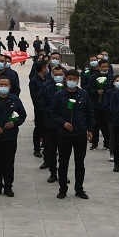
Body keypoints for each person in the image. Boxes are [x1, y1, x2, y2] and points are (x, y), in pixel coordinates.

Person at [49, 69, 94, 199]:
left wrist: (90, 130)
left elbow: (90, 113)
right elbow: (53, 113)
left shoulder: (84, 94)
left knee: (80, 163)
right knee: (63, 162)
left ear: (78, 80)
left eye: (74, 79)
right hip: (64, 134)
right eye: (70, 79)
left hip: (80, 133)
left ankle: (79, 189)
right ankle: (62, 188)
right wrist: (63, 123)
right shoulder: (59, 95)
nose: (72, 81)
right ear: (65, 79)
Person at [86, 59, 113, 150]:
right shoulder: (94, 77)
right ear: (99, 67)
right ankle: (94, 143)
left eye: (106, 67)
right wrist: (96, 91)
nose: (105, 68)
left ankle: (107, 143)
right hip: (96, 105)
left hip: (106, 106)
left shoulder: (111, 77)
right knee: (95, 125)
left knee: (106, 126)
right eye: (103, 67)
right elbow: (89, 89)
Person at [28, 61, 48, 158]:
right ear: (43, 68)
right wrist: (41, 106)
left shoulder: (47, 78)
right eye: (46, 67)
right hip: (40, 109)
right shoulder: (34, 80)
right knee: (39, 128)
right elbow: (35, 96)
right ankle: (37, 149)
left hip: (47, 108)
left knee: (46, 128)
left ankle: (46, 146)